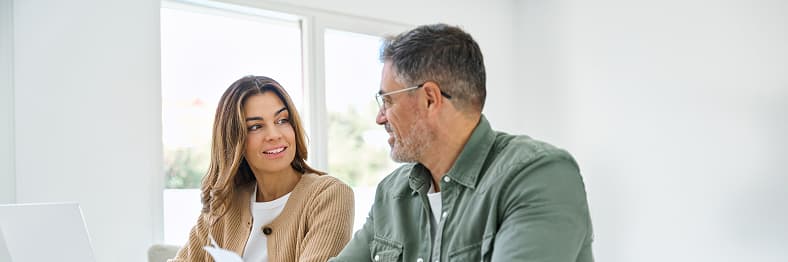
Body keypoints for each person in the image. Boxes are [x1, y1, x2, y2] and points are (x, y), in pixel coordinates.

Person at [331, 24, 594, 261]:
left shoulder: (538, 175)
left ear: (430, 99)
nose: (380, 118)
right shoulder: (392, 193)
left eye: (387, 101)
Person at [170, 76, 354, 262]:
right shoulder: (224, 205)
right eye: (256, 126)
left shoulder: (330, 196)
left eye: (282, 120)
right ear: (235, 140)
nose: (274, 135)